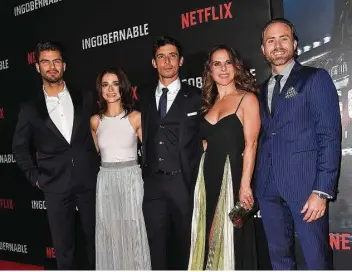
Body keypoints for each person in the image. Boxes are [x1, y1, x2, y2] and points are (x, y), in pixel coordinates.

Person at [255, 18, 341, 270]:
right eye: (270, 41)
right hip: (268, 189)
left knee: (316, 260)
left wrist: (321, 191)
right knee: (279, 260)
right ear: (263, 49)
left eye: (283, 39)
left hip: (306, 189)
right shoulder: (260, 90)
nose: (277, 45)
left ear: (294, 44)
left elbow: (329, 136)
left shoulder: (315, 79)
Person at [12, 41, 98, 270]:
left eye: (56, 61)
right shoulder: (30, 109)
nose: (52, 66)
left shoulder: (85, 97)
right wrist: (36, 177)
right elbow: (19, 148)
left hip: (89, 180)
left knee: (96, 241)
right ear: (37, 67)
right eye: (45, 61)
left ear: (64, 65)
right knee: (64, 248)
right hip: (54, 184)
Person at [189, 45, 261, 270]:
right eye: (217, 64)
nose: (223, 69)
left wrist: (245, 186)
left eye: (228, 62)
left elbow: (251, 145)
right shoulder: (208, 105)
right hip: (207, 177)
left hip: (232, 176)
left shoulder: (246, 99)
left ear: (236, 67)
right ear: (210, 70)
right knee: (207, 235)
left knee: (230, 239)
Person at [138, 36, 202, 270]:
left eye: (172, 56)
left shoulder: (196, 97)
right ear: (154, 62)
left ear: (181, 61)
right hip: (153, 184)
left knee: (186, 246)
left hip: (183, 184)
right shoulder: (143, 98)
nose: (167, 62)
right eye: (161, 57)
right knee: (157, 249)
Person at [90, 66, 151, 270]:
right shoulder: (95, 121)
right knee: (111, 232)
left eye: (115, 84)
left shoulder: (136, 117)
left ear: (123, 87)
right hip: (106, 180)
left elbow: (149, 154)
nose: (110, 89)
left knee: (134, 230)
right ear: (100, 89)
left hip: (131, 179)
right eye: (105, 85)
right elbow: (98, 152)